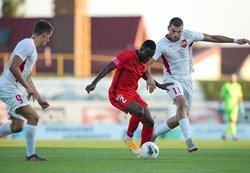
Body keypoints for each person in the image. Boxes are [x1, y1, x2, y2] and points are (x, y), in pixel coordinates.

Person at [146, 17, 250, 152]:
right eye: (173, 31)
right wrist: (149, 78)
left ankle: (154, 134)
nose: (176, 35)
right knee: (181, 103)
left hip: (187, 80)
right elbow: (147, 64)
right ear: (168, 28)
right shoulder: (161, 44)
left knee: (181, 117)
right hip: (171, 80)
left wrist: (235, 41)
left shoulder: (188, 35)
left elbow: (212, 38)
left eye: (179, 31)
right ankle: (189, 140)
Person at [85, 40, 173, 157]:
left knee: (149, 122)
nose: (147, 59)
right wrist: (94, 83)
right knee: (139, 111)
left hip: (132, 93)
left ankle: (143, 152)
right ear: (141, 49)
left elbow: (143, 74)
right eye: (146, 55)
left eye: (150, 57)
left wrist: (159, 85)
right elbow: (109, 67)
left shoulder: (145, 61)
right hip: (117, 93)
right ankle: (129, 137)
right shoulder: (126, 56)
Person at [0, 20, 53, 161]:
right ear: (43, 34)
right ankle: (31, 156)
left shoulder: (32, 50)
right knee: (33, 117)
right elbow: (13, 67)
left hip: (14, 88)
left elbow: (27, 76)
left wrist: (39, 97)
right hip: (9, 88)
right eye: (48, 36)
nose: (48, 40)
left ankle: (31, 155)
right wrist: (27, 88)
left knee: (17, 126)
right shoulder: (27, 44)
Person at [218, 73, 245, 140]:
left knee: (233, 121)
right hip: (228, 106)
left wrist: (241, 105)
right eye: (232, 78)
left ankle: (229, 135)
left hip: (235, 106)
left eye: (234, 78)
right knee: (232, 121)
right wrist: (219, 105)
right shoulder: (226, 86)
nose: (233, 79)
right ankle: (229, 135)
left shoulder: (238, 86)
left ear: (236, 79)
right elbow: (222, 96)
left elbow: (240, 96)